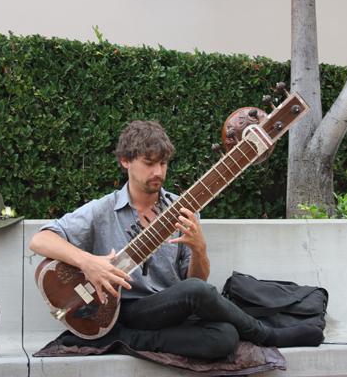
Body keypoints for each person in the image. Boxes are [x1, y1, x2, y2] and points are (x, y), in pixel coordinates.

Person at [29, 120, 322, 360]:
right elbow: (41, 240)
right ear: (125, 162)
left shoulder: (181, 209)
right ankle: (267, 335)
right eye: (149, 163)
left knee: (224, 337)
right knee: (199, 294)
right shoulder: (103, 209)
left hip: (169, 309)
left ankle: (126, 340)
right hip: (125, 308)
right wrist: (89, 263)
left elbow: (194, 282)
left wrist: (199, 248)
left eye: (163, 163)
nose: (158, 172)